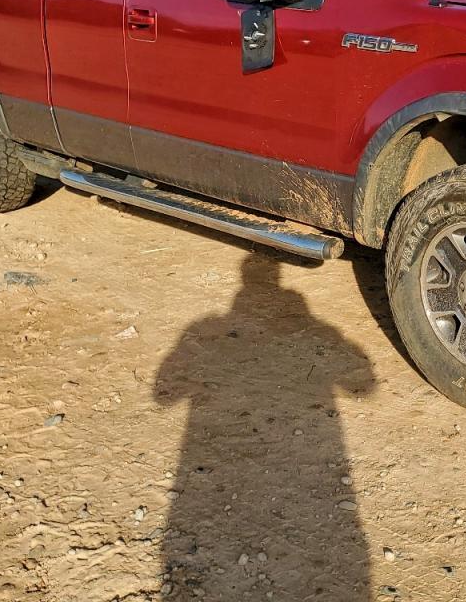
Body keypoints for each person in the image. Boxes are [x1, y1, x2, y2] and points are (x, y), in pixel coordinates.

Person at [154, 252, 376, 598]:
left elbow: (162, 395)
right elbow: (365, 384)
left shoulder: (203, 328)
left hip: (220, 473)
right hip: (306, 473)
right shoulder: (320, 329)